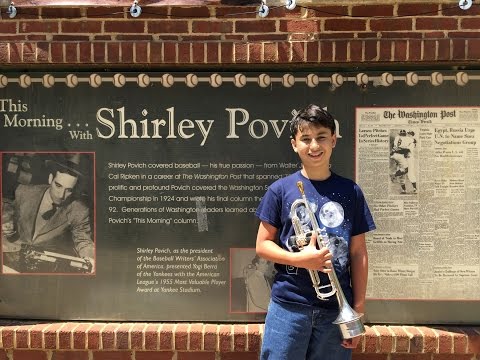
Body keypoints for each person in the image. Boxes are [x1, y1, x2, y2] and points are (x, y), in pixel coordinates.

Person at [255, 104, 376, 360]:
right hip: (288, 306)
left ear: (333, 140)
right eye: (306, 139)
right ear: (294, 144)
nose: (314, 146)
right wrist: (301, 259)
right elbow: (263, 245)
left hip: (336, 310)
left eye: (321, 137)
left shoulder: (350, 191)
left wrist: (358, 310)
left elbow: (358, 252)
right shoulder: (280, 189)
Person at [2, 153, 95, 273]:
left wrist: (90, 257)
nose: (61, 195)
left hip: (43, 265)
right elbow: (7, 204)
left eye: (69, 190)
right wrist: (6, 219)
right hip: (9, 255)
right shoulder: (24, 192)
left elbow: (83, 240)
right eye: (58, 185)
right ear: (51, 179)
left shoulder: (79, 210)